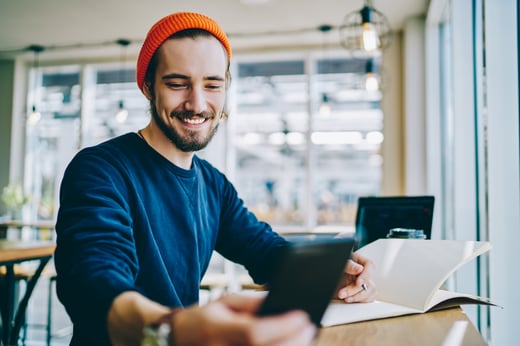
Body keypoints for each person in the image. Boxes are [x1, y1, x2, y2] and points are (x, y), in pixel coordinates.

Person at [54, 11, 377, 346]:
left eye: (212, 84)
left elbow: (265, 251)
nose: (197, 103)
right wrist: (170, 330)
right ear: (148, 87)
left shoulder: (213, 185)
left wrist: (334, 274)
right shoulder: (100, 169)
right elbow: (93, 280)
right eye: (177, 84)